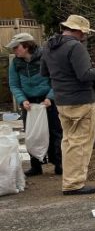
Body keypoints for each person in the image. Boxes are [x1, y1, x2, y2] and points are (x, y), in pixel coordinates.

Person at [40, 15, 95, 195]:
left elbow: (43, 72)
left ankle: (69, 180)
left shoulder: (49, 46)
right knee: (80, 143)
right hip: (80, 100)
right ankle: (74, 184)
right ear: (78, 30)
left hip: (61, 101)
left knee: (68, 141)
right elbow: (85, 75)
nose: (84, 36)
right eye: (84, 32)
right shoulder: (75, 46)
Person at [6, 33, 63, 176]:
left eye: (16, 47)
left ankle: (59, 163)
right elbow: (14, 84)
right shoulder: (16, 63)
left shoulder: (45, 57)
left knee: (55, 131)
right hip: (29, 103)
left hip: (48, 100)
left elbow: (56, 79)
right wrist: (22, 99)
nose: (14, 50)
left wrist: (50, 97)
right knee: (32, 134)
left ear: (26, 46)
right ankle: (36, 165)